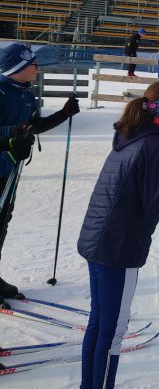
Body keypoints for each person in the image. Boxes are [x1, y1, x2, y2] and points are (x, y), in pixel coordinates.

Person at [77, 81, 159, 389]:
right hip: (118, 246)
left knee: (100, 323)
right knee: (111, 330)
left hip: (100, 237)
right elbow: (154, 201)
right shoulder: (158, 144)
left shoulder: (135, 133)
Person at [0, 43, 80, 299]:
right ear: (19, 67)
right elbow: (15, 131)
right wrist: (12, 136)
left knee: (2, 222)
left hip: (10, 168)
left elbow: (33, 126)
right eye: (34, 65)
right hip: (5, 160)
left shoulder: (26, 93)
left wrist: (63, 114)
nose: (37, 69)